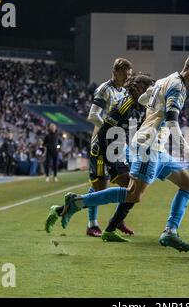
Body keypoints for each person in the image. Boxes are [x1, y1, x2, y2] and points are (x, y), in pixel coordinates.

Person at [56, 53, 189, 252]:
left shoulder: (167, 79)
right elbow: (172, 120)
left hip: (155, 146)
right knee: (133, 195)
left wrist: (153, 114)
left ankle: (170, 231)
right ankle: (77, 202)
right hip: (149, 147)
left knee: (188, 184)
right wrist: (186, 147)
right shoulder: (178, 88)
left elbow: (146, 97)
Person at [45, 75, 154, 237]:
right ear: (138, 89)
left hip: (118, 150)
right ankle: (92, 219)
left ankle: (111, 219)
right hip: (106, 150)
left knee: (129, 191)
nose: (151, 94)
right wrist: (109, 158)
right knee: (124, 190)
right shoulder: (124, 106)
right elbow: (104, 131)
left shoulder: (141, 106)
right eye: (148, 90)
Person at [84, 58, 133, 237]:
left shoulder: (125, 91)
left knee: (129, 183)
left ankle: (118, 220)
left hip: (118, 144)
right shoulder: (105, 89)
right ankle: (92, 224)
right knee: (99, 186)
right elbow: (93, 115)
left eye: (129, 75)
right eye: (125, 75)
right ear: (115, 72)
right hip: (101, 143)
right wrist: (109, 128)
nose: (127, 78)